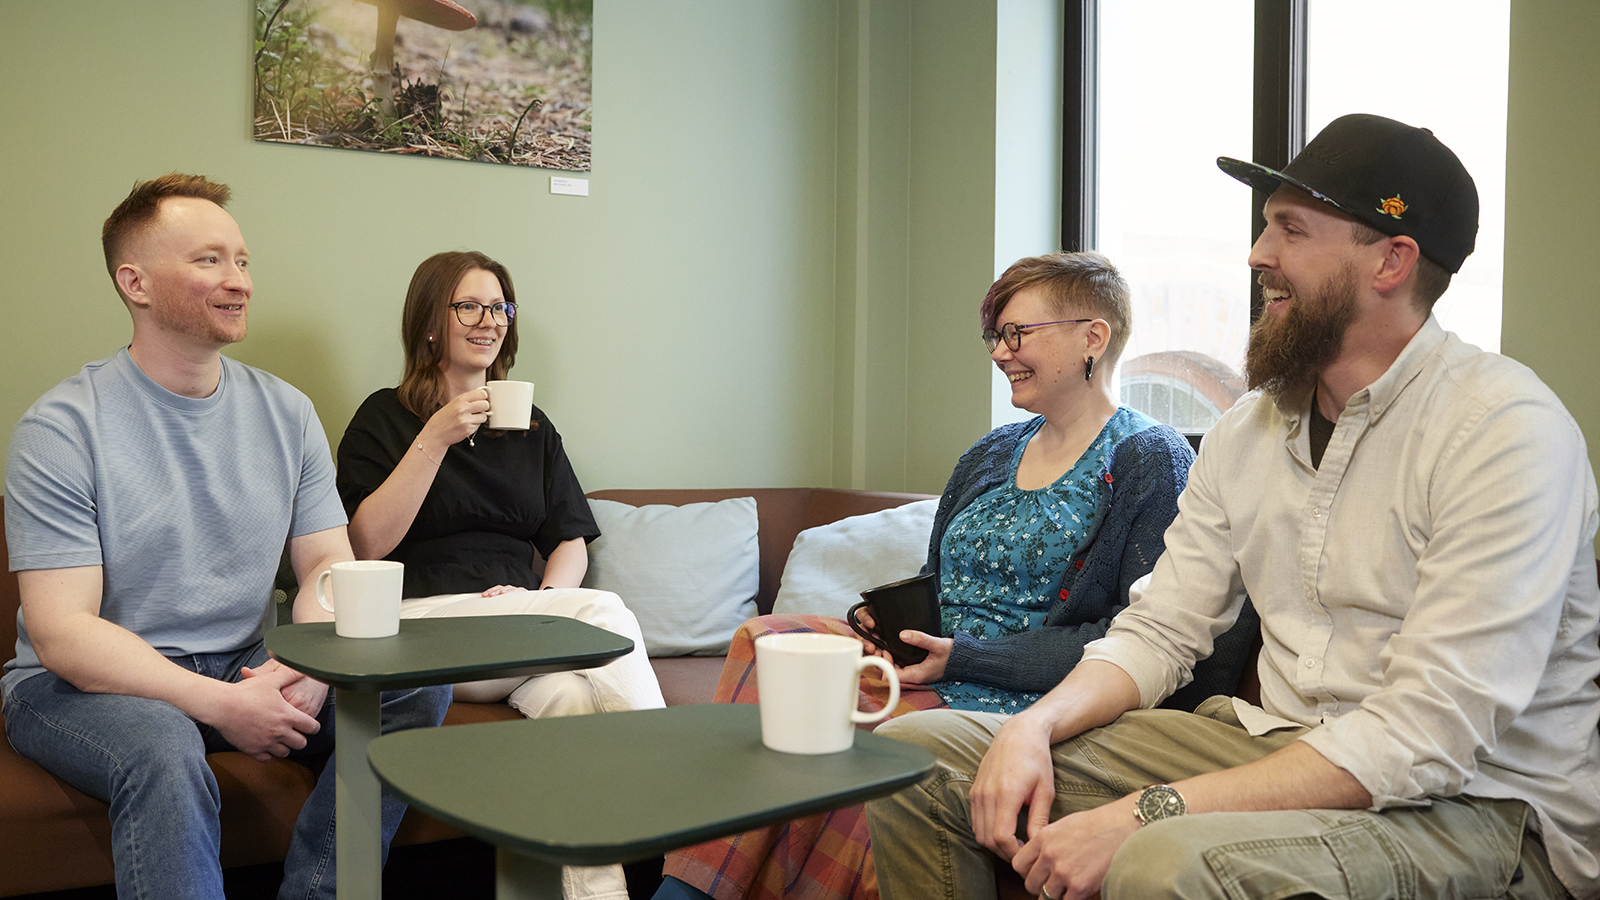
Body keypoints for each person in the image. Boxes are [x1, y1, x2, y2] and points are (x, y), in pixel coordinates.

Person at [865, 113, 1600, 900]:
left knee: (1162, 858)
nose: (1258, 255)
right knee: (915, 753)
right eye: (1264, 229)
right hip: (1274, 746)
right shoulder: (1249, 429)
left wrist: (1149, 811)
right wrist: (1033, 725)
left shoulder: (1504, 432)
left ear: (1392, 259)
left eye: (1291, 230)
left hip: (1475, 806)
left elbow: (1428, 734)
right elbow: (1160, 629)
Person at [656, 252, 1260, 900]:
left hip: (1027, 699)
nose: (1001, 352)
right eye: (996, 335)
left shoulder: (1147, 456)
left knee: (845, 730)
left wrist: (966, 658)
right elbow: (937, 582)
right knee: (768, 643)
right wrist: (887, 624)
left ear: (1094, 335)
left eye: (1018, 333)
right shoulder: (992, 452)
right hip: (937, 666)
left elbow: (1131, 635)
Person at [1, 174, 452, 900]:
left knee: (414, 685)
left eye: (242, 260)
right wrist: (218, 706)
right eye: (209, 260)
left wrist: (316, 664)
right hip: (80, 687)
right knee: (162, 745)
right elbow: (64, 634)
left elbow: (327, 568)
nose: (238, 280)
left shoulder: (287, 411)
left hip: (242, 660)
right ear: (135, 282)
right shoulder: (62, 427)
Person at [335, 250, 664, 900]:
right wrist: (434, 439)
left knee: (569, 700)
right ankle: (668, 779)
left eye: (500, 307)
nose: (490, 321)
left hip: (513, 635)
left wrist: (542, 603)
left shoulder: (531, 427)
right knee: (605, 613)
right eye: (470, 305)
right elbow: (364, 544)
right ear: (431, 322)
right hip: (421, 635)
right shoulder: (384, 418)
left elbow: (570, 538)